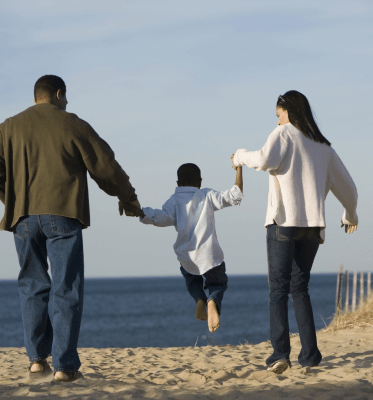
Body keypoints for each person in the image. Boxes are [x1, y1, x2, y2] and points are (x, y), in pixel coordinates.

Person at [0, 75, 142, 382]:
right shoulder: (71, 122)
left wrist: (11, 200)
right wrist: (127, 197)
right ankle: (65, 367)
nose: (67, 103)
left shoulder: (9, 126)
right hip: (63, 214)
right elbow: (105, 164)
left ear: (35, 97)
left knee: (32, 286)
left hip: (23, 218)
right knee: (66, 288)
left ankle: (37, 361)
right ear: (58, 94)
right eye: (66, 98)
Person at [231, 90, 358, 374]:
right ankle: (310, 356)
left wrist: (239, 156)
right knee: (300, 289)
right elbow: (349, 188)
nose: (277, 122)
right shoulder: (323, 146)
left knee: (278, 290)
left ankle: (280, 355)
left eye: (278, 115)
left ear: (288, 111)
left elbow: (264, 160)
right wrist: (350, 214)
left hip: (284, 224)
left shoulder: (284, 134)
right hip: (313, 228)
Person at [138, 163, 243, 332]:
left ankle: (199, 299)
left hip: (187, 257)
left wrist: (140, 212)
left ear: (178, 182)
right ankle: (212, 301)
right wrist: (239, 170)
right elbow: (234, 196)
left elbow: (160, 217)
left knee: (192, 282)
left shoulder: (175, 200)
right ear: (199, 181)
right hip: (209, 255)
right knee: (217, 283)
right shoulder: (207, 194)